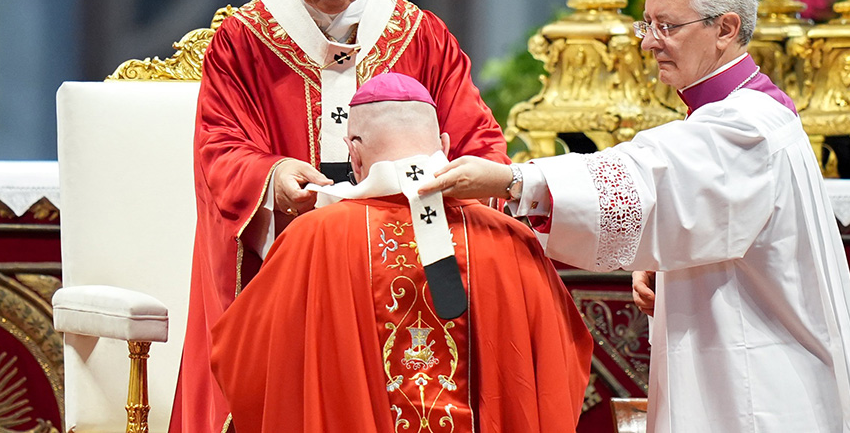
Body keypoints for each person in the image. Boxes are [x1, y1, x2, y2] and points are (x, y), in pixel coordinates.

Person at [419, 0, 850, 432]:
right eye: (647, 26)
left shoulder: (747, 124)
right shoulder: (738, 112)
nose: (649, 44)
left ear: (725, 29)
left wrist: (513, 180)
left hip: (761, 390)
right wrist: (656, 256)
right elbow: (695, 203)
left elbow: (643, 177)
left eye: (667, 27)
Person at [170, 0, 508, 433]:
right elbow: (218, 149)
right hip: (286, 280)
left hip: (406, 279)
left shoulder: (420, 35)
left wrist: (449, 182)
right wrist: (272, 177)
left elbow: (479, 145)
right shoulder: (244, 41)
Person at [208, 74, 593, 433]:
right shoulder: (512, 241)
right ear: (443, 146)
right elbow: (565, 363)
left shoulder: (310, 239)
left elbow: (244, 359)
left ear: (353, 154)